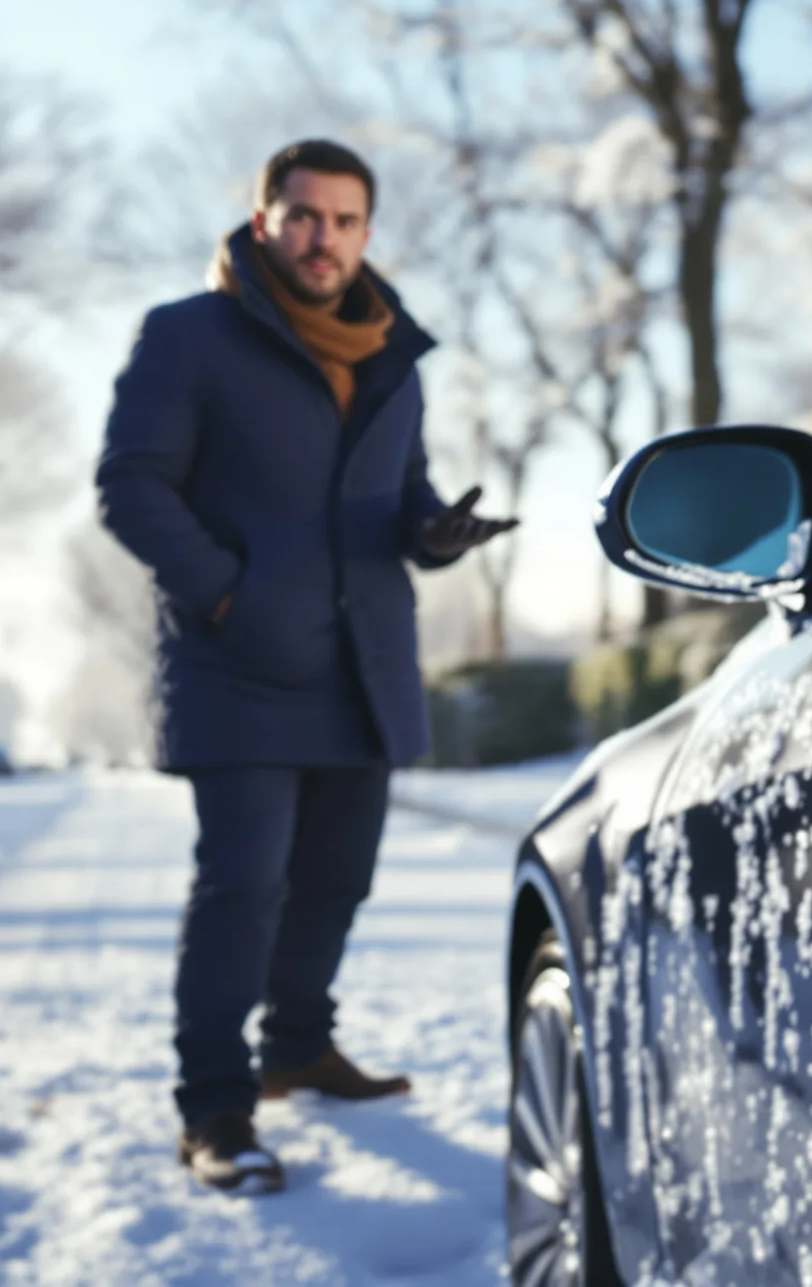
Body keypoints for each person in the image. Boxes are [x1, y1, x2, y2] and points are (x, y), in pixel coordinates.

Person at [96, 139, 513, 1192]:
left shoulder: (390, 349)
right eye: (303, 215)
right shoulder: (187, 336)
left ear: (367, 231)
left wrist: (435, 532)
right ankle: (215, 1112)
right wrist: (229, 591)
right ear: (265, 219)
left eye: (343, 219)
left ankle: (297, 1045)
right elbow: (132, 485)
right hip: (236, 662)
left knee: (336, 880)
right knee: (243, 886)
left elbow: (397, 492)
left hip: (361, 662)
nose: (322, 237)